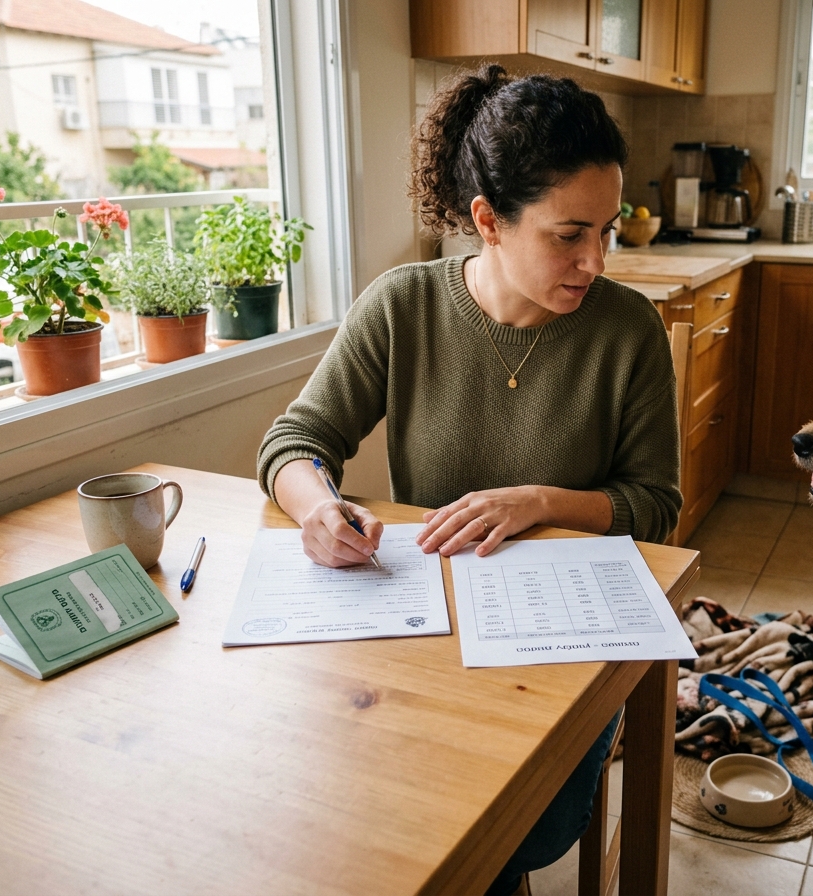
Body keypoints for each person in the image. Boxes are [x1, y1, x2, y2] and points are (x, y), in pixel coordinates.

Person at [257, 63, 680, 896]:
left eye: (609, 229)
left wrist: (539, 503)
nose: (595, 259)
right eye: (568, 233)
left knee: (529, 831)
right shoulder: (401, 308)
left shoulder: (628, 332)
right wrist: (315, 507)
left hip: (562, 647)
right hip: (423, 636)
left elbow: (657, 509)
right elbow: (297, 440)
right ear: (489, 220)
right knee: (365, 810)